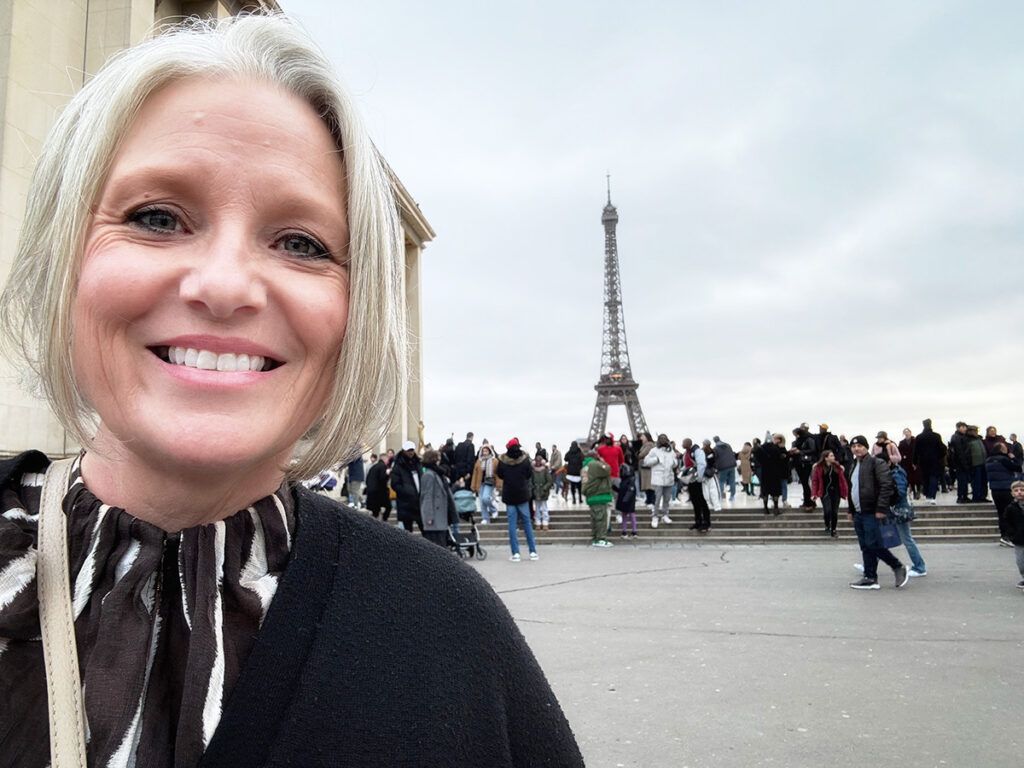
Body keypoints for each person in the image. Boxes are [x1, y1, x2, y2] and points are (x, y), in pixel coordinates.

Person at [0, 15, 583, 768]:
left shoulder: (446, 633)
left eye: (301, 243)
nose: (224, 286)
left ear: (356, 308)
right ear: (65, 258)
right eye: (155, 218)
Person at [846, 436, 908, 590]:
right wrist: (851, 510)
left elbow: (886, 486)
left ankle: (897, 566)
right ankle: (870, 577)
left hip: (872, 511)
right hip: (859, 512)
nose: (856, 449)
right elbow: (851, 489)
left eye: (860, 446)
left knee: (873, 544)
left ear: (866, 447)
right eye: (853, 447)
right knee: (865, 546)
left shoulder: (876, 463)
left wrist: (881, 508)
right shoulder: (854, 465)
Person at [497, 438, 538, 562]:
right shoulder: (525, 460)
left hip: (509, 495)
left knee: (512, 525)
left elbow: (500, 474)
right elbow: (529, 474)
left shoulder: (503, 461)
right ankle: (533, 552)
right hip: (522, 495)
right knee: (527, 523)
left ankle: (516, 553)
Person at [887, 454, 927, 577]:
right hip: (896, 509)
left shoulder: (896, 473)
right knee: (882, 539)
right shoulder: (895, 471)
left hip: (899, 510)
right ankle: (869, 565)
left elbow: (900, 491)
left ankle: (920, 567)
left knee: (907, 539)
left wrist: (888, 496)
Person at [985, 443, 1023, 546]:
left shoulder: (988, 460)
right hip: (1006, 488)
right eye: (1005, 448)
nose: (1007, 450)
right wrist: (1014, 458)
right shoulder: (1004, 459)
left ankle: (1004, 536)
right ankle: (1009, 536)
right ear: (1001, 450)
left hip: (995, 490)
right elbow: (1018, 467)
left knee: (1001, 513)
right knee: (1010, 513)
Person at [420, 449, 457, 548]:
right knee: (436, 546)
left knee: (440, 545)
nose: (439, 460)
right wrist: (428, 517)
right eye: (438, 458)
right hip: (434, 518)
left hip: (440, 516)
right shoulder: (429, 475)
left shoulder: (437, 473)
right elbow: (427, 497)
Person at [811, 450, 848, 538]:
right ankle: (827, 524)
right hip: (825, 492)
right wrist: (814, 493)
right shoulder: (819, 468)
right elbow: (815, 481)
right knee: (827, 511)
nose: (833, 457)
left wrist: (846, 492)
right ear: (826, 458)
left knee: (834, 512)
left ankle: (834, 530)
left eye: (833, 456)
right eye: (831, 456)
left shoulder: (837, 467)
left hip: (836, 492)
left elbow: (843, 481)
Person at [642, 433, 676, 528]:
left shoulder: (671, 451)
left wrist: (674, 463)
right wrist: (656, 460)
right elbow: (646, 461)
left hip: (669, 477)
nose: (663, 440)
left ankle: (665, 515)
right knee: (657, 499)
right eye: (661, 438)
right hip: (658, 478)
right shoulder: (654, 451)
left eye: (664, 438)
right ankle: (655, 516)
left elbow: (675, 462)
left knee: (667, 499)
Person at [582, 449, 614, 547]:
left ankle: (596, 538)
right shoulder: (594, 464)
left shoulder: (586, 466)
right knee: (601, 519)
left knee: (595, 519)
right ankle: (601, 539)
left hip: (592, 496)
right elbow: (607, 469)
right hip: (599, 495)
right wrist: (602, 461)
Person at [391, 441, 424, 532]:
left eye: (412, 450)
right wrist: (407, 492)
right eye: (408, 450)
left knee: (424, 529)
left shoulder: (417, 463)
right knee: (408, 532)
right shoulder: (398, 465)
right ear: (403, 451)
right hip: (406, 503)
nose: (411, 452)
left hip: (418, 502)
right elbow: (395, 484)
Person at [913, 418, 947, 506]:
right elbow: (942, 449)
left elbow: (915, 451)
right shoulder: (936, 436)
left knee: (925, 478)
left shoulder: (919, 437)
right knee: (933, 478)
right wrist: (939, 457)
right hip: (934, 460)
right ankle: (932, 496)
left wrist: (915, 462)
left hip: (923, 461)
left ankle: (928, 495)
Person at [681, 438, 711, 532]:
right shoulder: (687, 453)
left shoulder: (697, 451)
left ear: (688, 443)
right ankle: (698, 521)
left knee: (701, 501)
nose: (682, 444)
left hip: (697, 480)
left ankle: (706, 523)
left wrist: (699, 478)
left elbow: (701, 464)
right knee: (695, 501)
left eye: (683, 442)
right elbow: (686, 466)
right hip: (691, 480)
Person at [753, 434, 788, 515]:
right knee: (775, 491)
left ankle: (765, 508)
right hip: (775, 472)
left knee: (765, 491)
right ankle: (776, 508)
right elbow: (781, 459)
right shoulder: (776, 448)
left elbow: (757, 459)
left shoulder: (760, 449)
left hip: (765, 472)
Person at [470, 443, 501, 524]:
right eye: (483, 451)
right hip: (480, 483)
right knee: (481, 501)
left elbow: (498, 473)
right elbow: (475, 473)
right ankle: (485, 518)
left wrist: (499, 484)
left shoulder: (495, 461)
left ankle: (493, 509)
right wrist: (473, 485)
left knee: (485, 498)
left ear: (490, 451)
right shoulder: (478, 461)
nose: (484, 452)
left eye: (486, 451)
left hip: (490, 482)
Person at [1002, 481, 1024, 590]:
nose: (1019, 493)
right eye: (1016, 491)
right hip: (1019, 539)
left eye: (1022, 490)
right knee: (1021, 562)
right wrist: (1012, 534)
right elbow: (1006, 522)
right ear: (1012, 493)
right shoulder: (1011, 508)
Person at [790, 425, 818, 510]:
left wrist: (800, 451)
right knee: (804, 483)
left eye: (796, 434)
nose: (795, 436)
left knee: (805, 483)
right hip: (798, 463)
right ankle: (808, 501)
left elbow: (813, 450)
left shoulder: (809, 440)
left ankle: (809, 502)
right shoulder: (796, 442)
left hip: (806, 463)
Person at [949, 421, 972, 503]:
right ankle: (961, 496)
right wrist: (965, 464)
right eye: (963, 427)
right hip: (960, 463)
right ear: (958, 428)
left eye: (965, 427)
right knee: (962, 481)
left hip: (961, 462)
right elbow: (959, 452)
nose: (965, 429)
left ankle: (964, 496)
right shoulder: (957, 437)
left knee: (964, 481)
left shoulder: (960, 437)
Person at [965, 425, 989, 503]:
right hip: (975, 464)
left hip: (983, 463)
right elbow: (967, 454)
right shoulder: (967, 440)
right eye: (973, 430)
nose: (975, 432)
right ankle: (976, 497)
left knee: (984, 481)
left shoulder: (979, 439)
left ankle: (983, 496)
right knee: (976, 482)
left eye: (976, 430)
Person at [364, 452, 391, 520]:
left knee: (375, 512)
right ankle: (384, 521)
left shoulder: (374, 467)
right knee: (388, 507)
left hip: (371, 492)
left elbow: (367, 479)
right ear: (385, 459)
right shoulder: (383, 466)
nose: (388, 461)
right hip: (379, 493)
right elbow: (382, 479)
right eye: (387, 459)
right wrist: (388, 475)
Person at [531, 455, 554, 530]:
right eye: (536, 461)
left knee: (544, 507)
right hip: (536, 491)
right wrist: (533, 488)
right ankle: (537, 522)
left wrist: (545, 488)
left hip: (543, 491)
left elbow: (549, 481)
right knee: (537, 508)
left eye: (539, 461)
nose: (538, 462)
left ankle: (545, 521)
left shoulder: (545, 470)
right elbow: (531, 481)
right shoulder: (533, 470)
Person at [616, 461, 639, 538]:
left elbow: (630, 490)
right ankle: (625, 531)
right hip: (625, 500)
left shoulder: (629, 480)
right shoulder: (626, 480)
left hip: (628, 501)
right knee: (626, 516)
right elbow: (623, 490)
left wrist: (625, 499)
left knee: (630, 515)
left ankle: (633, 531)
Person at [897, 428, 920, 500]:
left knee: (917, 477)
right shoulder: (902, 443)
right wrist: (903, 457)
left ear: (910, 433)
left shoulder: (916, 441)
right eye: (905, 433)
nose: (907, 434)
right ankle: (914, 491)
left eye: (908, 432)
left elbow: (919, 451)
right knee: (910, 478)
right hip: (906, 463)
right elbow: (899, 452)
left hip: (915, 462)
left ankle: (918, 490)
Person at [712, 436, 738, 501]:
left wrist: (715, 467)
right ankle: (732, 496)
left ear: (714, 441)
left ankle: (720, 496)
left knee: (721, 481)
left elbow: (715, 458)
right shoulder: (728, 445)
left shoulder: (715, 448)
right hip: (732, 465)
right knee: (732, 481)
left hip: (723, 467)